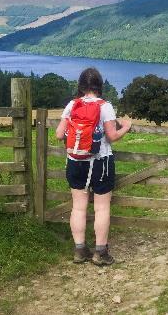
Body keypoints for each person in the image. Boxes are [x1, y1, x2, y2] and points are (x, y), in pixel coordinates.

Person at [55, 67, 131, 265]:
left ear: (81, 86)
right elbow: (112, 136)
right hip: (100, 162)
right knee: (101, 208)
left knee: (78, 208)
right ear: (99, 86)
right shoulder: (105, 106)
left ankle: (80, 251)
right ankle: (100, 253)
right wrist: (126, 127)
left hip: (75, 161)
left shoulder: (72, 105)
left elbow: (58, 134)